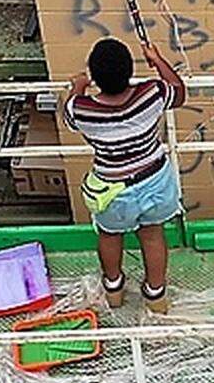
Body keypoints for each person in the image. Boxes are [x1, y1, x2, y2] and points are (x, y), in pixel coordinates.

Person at [65, 38, 186, 313]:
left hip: (112, 190)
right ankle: (155, 296)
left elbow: (69, 113)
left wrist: (78, 85)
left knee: (109, 235)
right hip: (154, 180)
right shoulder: (151, 93)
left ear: (95, 76)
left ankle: (114, 291)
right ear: (130, 71)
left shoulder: (82, 109)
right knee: (152, 234)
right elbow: (179, 92)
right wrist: (157, 60)